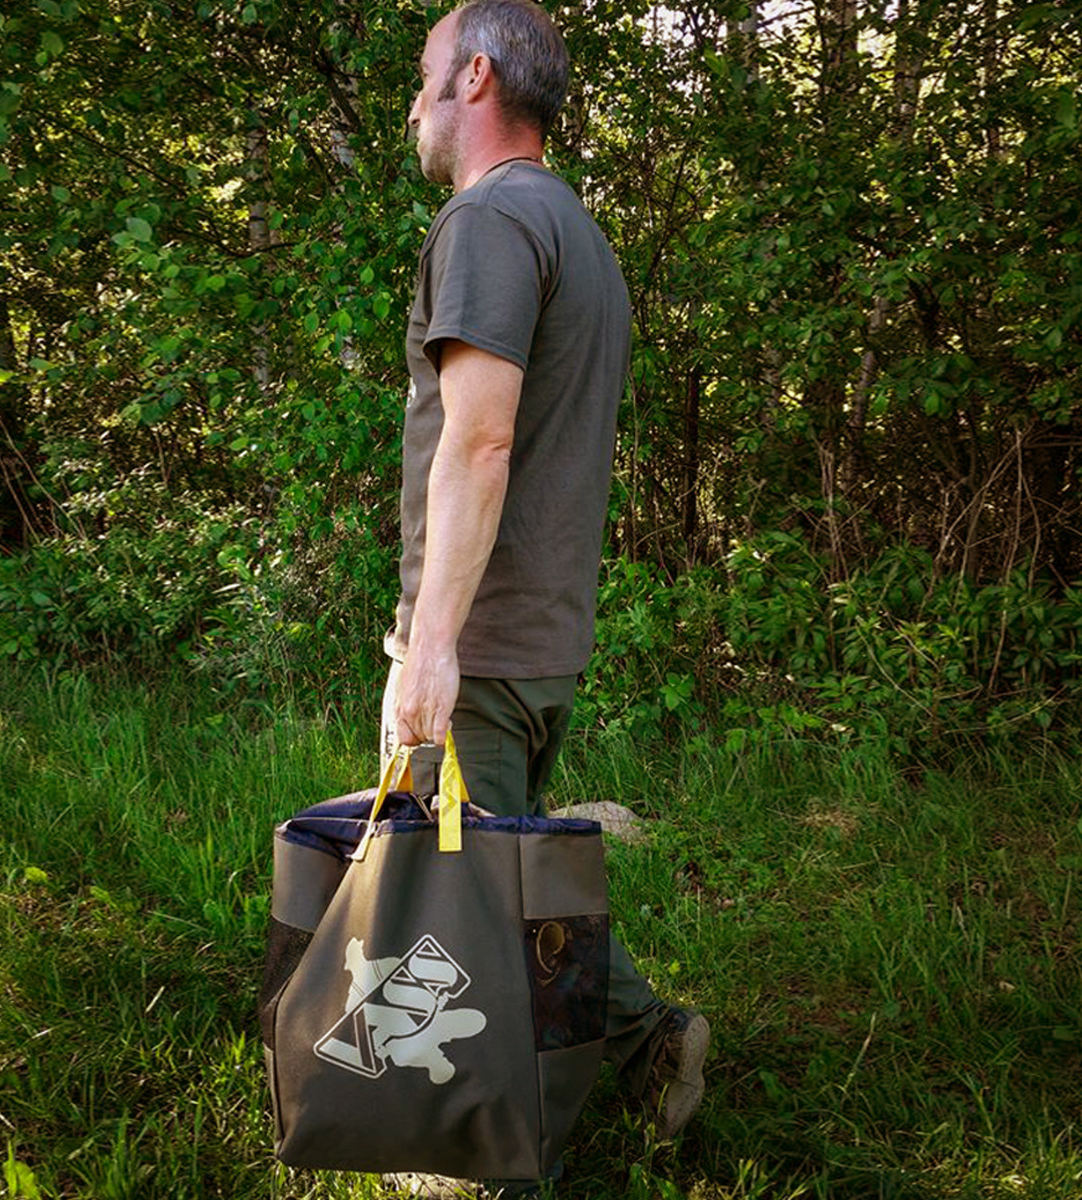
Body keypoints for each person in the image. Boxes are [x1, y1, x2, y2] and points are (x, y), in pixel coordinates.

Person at [380, 1, 709, 1193]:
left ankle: (488, 1158)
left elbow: (480, 443)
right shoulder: (573, 226)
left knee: (464, 912)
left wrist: (430, 646)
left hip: (486, 641)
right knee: (512, 890)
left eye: (422, 80)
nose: (411, 106)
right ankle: (648, 1040)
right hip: (542, 639)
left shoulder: (487, 221)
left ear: (473, 77)